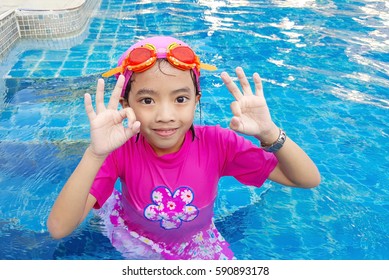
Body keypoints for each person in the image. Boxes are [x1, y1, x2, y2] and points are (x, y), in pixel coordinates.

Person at [47, 36, 320, 260]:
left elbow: (307, 179)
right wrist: (95, 154)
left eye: (180, 98)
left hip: (198, 244)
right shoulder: (120, 150)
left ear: (196, 100)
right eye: (147, 100)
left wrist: (270, 133)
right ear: (126, 105)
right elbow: (59, 228)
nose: (165, 115)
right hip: (132, 236)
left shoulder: (218, 144)